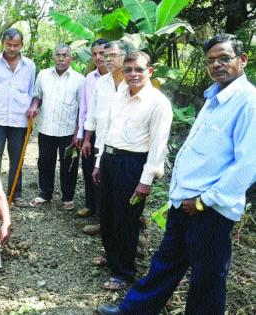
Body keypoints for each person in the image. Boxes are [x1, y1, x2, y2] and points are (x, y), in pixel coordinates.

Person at [98, 34, 256, 315]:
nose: (216, 64)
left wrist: (204, 201)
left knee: (207, 278)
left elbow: (248, 164)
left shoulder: (248, 102)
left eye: (224, 58)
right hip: (184, 201)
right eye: (210, 60)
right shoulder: (215, 95)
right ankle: (133, 311)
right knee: (165, 264)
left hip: (209, 208)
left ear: (242, 60)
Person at [95, 51, 173, 291]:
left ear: (149, 71)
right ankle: (112, 257)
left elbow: (158, 146)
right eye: (128, 70)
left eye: (139, 69)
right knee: (106, 215)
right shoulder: (120, 95)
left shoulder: (158, 103)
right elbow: (107, 128)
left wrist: (146, 180)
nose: (133, 74)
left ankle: (124, 272)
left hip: (133, 165)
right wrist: (99, 162)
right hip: (109, 158)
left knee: (126, 220)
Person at [0, 28, 36, 205]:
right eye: (8, 44)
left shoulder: (30, 65)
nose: (12, 48)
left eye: (16, 45)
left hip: (19, 120)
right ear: (3, 43)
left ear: (22, 45)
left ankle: (15, 194)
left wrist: (33, 108)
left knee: (17, 158)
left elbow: (32, 91)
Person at [27, 44, 85, 210]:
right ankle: (45, 193)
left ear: (71, 58)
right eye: (58, 55)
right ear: (53, 57)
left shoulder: (79, 80)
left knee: (69, 164)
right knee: (45, 162)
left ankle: (68, 196)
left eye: (65, 55)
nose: (61, 58)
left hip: (68, 131)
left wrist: (78, 132)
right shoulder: (43, 75)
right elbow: (37, 96)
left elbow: (82, 109)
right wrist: (34, 106)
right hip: (46, 128)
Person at [81, 40, 127, 236]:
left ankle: (128, 230)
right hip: (102, 142)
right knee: (102, 186)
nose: (107, 60)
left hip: (126, 147)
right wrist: (86, 138)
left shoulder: (133, 81)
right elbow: (92, 114)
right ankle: (104, 224)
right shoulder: (101, 82)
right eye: (105, 56)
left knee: (124, 190)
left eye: (112, 56)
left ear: (125, 56)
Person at [74, 38, 108, 219]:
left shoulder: (118, 78)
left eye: (102, 53)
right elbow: (84, 108)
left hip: (109, 133)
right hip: (90, 130)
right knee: (88, 167)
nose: (98, 57)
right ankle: (90, 205)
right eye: (95, 54)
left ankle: (103, 212)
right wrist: (82, 135)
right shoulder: (89, 78)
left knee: (103, 170)